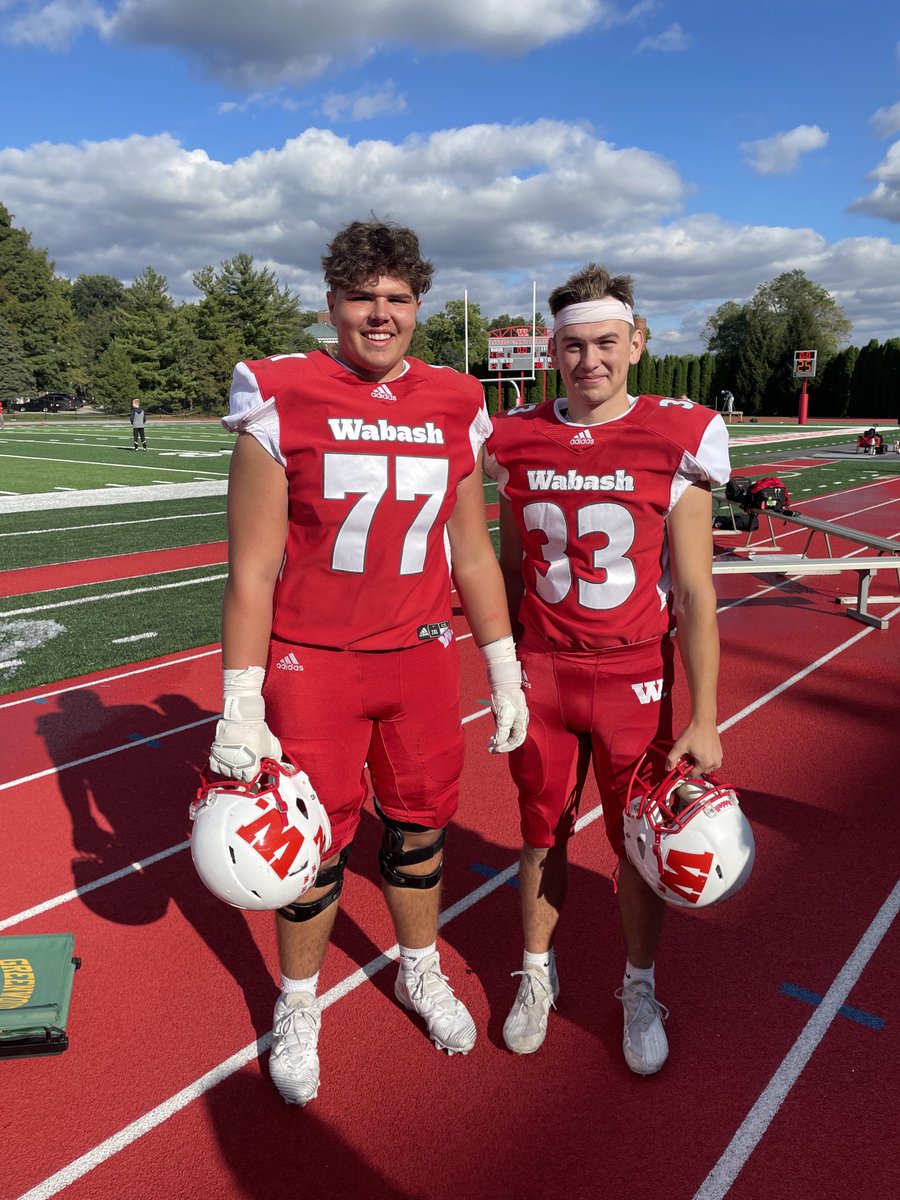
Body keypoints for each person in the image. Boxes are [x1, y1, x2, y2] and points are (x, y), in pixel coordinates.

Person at [210, 218, 528, 1105]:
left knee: (421, 830)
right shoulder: (281, 393)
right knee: (310, 850)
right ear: (332, 304)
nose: (380, 314)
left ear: (419, 305)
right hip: (315, 663)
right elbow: (253, 567)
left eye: (398, 297)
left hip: (421, 659)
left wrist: (502, 666)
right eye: (363, 297)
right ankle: (300, 1003)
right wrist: (241, 700)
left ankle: (417, 969)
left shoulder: (458, 399)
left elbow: (471, 555)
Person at [484, 262, 731, 1074]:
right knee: (537, 833)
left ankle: (637, 983)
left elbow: (694, 590)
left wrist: (704, 715)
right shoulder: (516, 437)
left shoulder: (677, 432)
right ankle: (536, 973)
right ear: (552, 349)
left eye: (605, 343)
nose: (589, 360)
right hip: (547, 672)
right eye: (572, 345)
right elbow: (512, 566)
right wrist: (509, 664)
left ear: (637, 343)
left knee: (638, 844)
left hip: (635, 675)